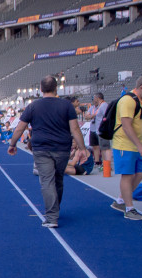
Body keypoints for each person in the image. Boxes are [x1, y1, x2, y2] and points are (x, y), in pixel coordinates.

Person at [7, 76, 89, 228]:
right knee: (58, 179)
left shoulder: (33, 106)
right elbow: (75, 129)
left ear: (40, 89)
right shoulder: (66, 106)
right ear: (56, 88)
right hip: (62, 148)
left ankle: (52, 216)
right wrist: (82, 149)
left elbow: (20, 127)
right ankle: (54, 209)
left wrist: (12, 144)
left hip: (42, 148)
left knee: (47, 181)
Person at [108, 75, 142, 221]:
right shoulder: (127, 100)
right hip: (125, 145)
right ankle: (129, 208)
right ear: (141, 87)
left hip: (137, 144)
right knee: (127, 175)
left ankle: (122, 200)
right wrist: (140, 145)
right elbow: (126, 125)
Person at [84, 93, 110, 169]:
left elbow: (106, 116)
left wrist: (92, 116)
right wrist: (91, 116)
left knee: (104, 147)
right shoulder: (93, 107)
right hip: (94, 128)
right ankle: (98, 162)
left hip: (102, 130)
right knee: (95, 146)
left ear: (98, 98)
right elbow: (87, 116)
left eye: (94, 98)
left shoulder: (104, 105)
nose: (93, 100)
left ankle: (106, 164)